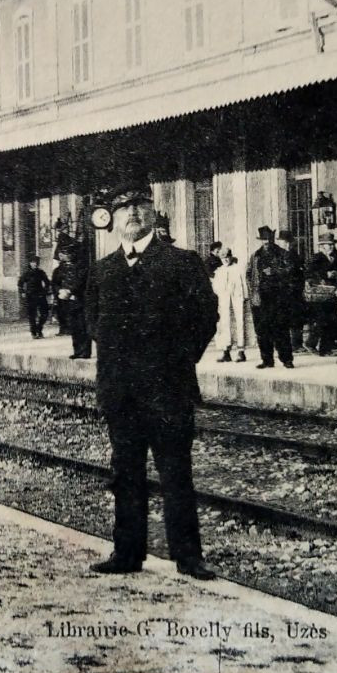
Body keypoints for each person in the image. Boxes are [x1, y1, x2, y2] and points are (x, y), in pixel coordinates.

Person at [83, 181, 219, 581]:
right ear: (114, 219)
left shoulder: (182, 262)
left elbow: (205, 318)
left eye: (140, 205)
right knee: (125, 475)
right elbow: (93, 324)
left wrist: (177, 361)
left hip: (168, 390)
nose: (132, 213)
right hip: (121, 393)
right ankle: (127, 552)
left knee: (176, 474)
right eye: (124, 208)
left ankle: (189, 557)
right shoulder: (103, 271)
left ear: (153, 212)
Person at [247, 226, 297, 369]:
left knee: (281, 328)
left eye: (268, 239)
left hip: (278, 297)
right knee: (262, 330)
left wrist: (274, 271)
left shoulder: (282, 253)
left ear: (272, 239)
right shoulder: (256, 256)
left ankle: (287, 359)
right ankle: (267, 360)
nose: (266, 242)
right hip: (261, 298)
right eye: (263, 240)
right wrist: (253, 292)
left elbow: (291, 270)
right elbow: (249, 273)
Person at [304, 234, 337, 356]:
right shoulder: (315, 258)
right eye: (329, 244)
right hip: (319, 294)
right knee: (322, 320)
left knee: (332, 320)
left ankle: (324, 347)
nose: (332, 246)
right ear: (322, 246)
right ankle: (312, 344)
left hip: (332, 293)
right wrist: (324, 275)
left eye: (333, 244)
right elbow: (308, 273)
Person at [53, 247, 92, 359]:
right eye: (64, 253)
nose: (64, 256)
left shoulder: (81, 267)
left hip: (80, 300)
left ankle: (85, 351)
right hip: (66, 302)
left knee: (82, 326)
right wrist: (59, 291)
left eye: (67, 253)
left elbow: (82, 281)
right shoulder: (59, 269)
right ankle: (77, 351)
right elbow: (55, 283)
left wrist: (71, 291)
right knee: (73, 327)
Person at [210, 247, 248, 362]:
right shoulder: (219, 271)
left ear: (231, 257)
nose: (225, 260)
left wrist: (245, 297)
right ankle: (226, 350)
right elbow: (216, 288)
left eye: (227, 257)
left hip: (237, 298)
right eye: (223, 258)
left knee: (239, 322)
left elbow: (244, 284)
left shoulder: (238, 269)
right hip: (224, 300)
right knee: (225, 323)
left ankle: (241, 351)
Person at [19, 255, 51, 338]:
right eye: (33, 262)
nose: (35, 264)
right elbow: (20, 283)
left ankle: (39, 329)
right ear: (30, 263)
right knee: (32, 315)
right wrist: (22, 292)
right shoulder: (26, 273)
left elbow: (47, 282)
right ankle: (34, 333)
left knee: (45, 313)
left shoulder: (41, 272)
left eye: (36, 262)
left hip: (40, 295)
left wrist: (45, 291)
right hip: (30, 295)